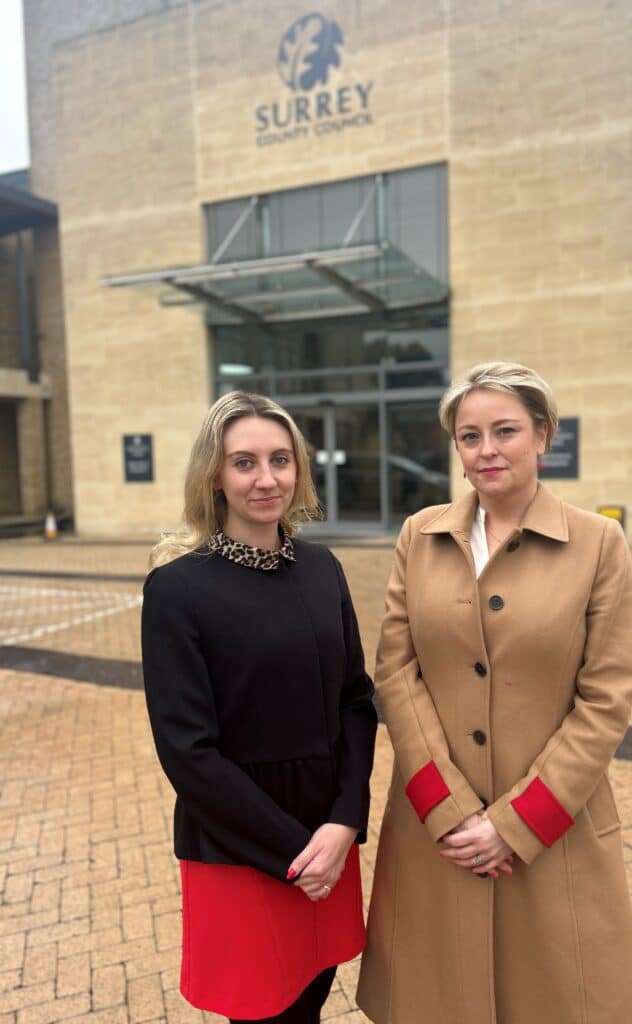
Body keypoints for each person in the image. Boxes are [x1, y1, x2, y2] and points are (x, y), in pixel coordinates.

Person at [357, 363, 632, 1023]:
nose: (486, 449)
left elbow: (607, 697)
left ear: (542, 436)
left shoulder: (599, 544)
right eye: (469, 436)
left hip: (555, 835)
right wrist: (453, 811)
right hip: (439, 833)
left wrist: (514, 825)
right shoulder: (419, 535)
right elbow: (396, 672)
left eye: (505, 431)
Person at [141, 391, 377, 1024]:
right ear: (215, 475)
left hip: (328, 831)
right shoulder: (177, 589)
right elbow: (188, 751)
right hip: (243, 842)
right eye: (243, 462)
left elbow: (356, 699)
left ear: (299, 466)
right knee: (262, 1012)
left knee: (315, 994)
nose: (266, 478)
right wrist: (293, 853)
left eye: (280, 459)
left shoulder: (322, 569)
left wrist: (346, 819)